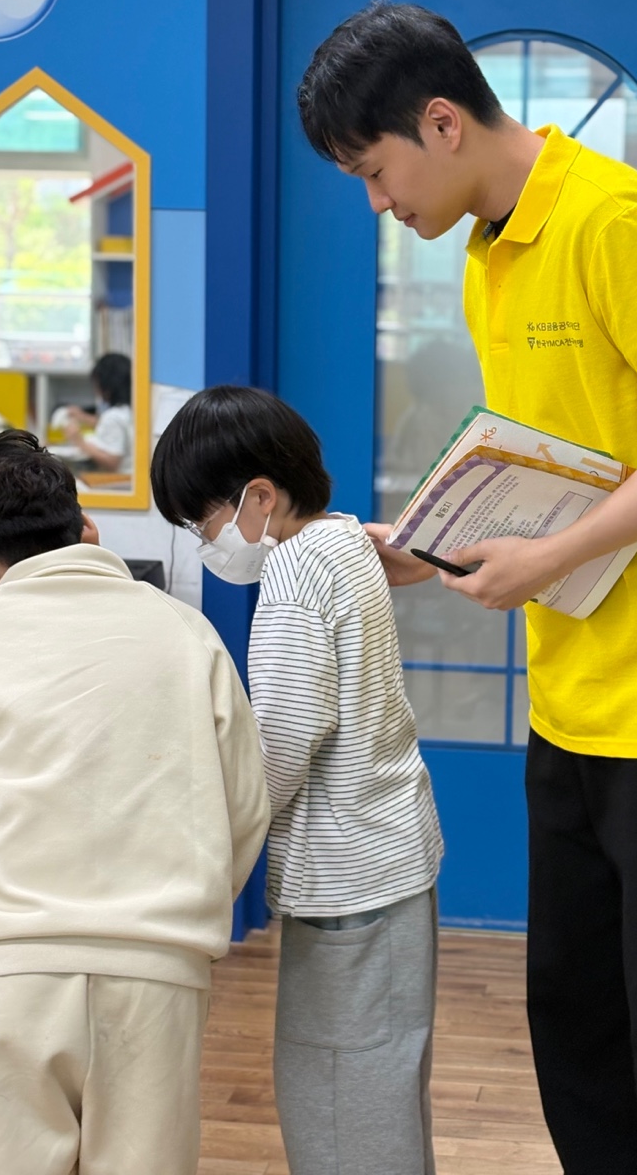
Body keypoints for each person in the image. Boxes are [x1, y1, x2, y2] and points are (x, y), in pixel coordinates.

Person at [296, 0, 637, 1175]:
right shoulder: (487, 253)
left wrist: (553, 557)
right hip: (576, 695)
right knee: (582, 1031)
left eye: (374, 172)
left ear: (442, 123)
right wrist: (431, 545)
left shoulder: (618, 221)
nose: (377, 203)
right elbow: (562, 465)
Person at [0, 429, 270, 1175]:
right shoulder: (187, 631)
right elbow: (244, 805)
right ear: (83, 527)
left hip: (9, 972)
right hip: (159, 971)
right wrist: (178, 912)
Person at [151, 384, 443, 1175]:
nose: (205, 542)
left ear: (260, 497)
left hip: (352, 879)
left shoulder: (292, 572)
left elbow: (279, 745)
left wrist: (205, 854)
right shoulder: (342, 539)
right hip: (390, 858)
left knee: (342, 1106)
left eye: (203, 522)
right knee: (379, 1089)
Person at [64, 350, 133, 472]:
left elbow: (112, 462)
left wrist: (79, 441)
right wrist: (83, 417)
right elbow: (110, 428)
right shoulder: (127, 410)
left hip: (118, 479)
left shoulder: (113, 416)